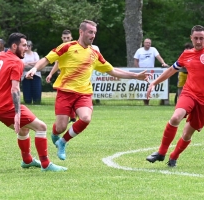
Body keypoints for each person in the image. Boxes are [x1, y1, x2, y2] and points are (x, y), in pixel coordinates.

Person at [26, 19, 148, 161]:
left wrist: (135, 76)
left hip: (83, 93)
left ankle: (62, 142)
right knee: (60, 127)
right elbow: (47, 59)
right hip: (65, 92)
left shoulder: (94, 53)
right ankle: (55, 134)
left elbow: (112, 70)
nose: (93, 35)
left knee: (86, 118)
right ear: (81, 32)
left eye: (95, 33)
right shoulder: (67, 47)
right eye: (90, 32)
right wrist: (35, 68)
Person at [0, 33, 67, 172]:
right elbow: (15, 89)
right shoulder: (16, 62)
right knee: (41, 127)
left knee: (23, 129)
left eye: (27, 45)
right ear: (14, 46)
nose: (26, 48)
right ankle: (46, 164)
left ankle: (27, 161)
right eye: (23, 45)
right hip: (6, 106)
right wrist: (17, 113)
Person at [145, 25, 204, 167]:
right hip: (189, 93)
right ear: (191, 38)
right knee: (175, 117)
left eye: (201, 38)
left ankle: (173, 157)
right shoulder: (186, 54)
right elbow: (171, 70)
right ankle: (161, 152)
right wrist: (154, 83)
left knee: (187, 134)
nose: (199, 41)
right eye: (196, 38)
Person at [46, 29, 77, 122]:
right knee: (66, 96)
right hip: (64, 78)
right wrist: (50, 74)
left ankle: (74, 115)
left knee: (73, 96)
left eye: (68, 37)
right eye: (64, 38)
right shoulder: (60, 48)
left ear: (71, 37)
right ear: (61, 38)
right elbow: (57, 63)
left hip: (76, 77)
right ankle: (72, 117)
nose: (66, 39)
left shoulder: (77, 47)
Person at [133, 38, 169, 105]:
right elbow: (136, 60)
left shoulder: (153, 49)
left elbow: (158, 57)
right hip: (142, 71)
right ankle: (145, 101)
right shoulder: (139, 50)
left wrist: (163, 63)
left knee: (149, 86)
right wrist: (137, 69)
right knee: (142, 87)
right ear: (144, 43)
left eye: (149, 43)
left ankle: (148, 102)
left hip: (150, 72)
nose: (148, 44)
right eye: (147, 43)